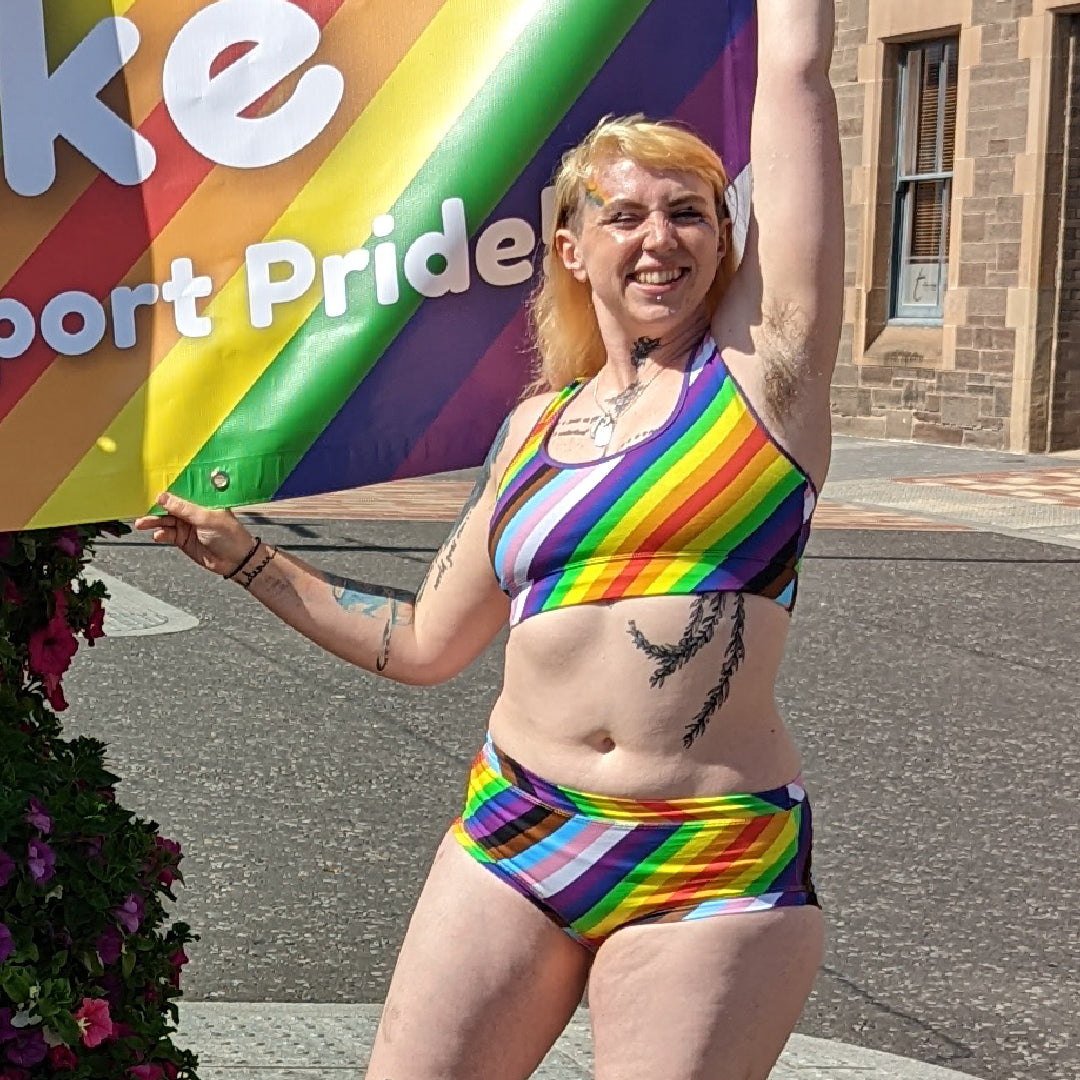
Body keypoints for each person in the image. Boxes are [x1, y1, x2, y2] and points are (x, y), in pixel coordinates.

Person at [136, 1, 842, 1075]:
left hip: (708, 861)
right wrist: (245, 558)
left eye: (692, 213)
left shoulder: (763, 380)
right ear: (570, 244)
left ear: (726, 238)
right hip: (515, 830)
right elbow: (423, 644)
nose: (661, 239)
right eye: (626, 215)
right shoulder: (532, 430)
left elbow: (796, 71)